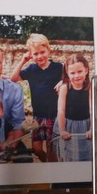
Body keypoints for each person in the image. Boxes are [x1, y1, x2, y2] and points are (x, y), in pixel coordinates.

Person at [10, 33, 62, 162]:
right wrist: (23, 60)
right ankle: (47, 164)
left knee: (52, 148)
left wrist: (63, 82)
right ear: (31, 55)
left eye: (42, 52)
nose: (39, 56)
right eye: (35, 54)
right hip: (37, 116)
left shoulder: (58, 68)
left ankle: (52, 170)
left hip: (53, 115)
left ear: (48, 50)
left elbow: (69, 79)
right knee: (36, 148)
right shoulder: (31, 69)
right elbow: (13, 78)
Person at [52, 54, 92, 162]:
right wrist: (62, 130)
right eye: (72, 73)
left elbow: (93, 110)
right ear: (67, 73)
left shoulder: (90, 88)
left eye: (80, 71)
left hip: (85, 126)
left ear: (86, 70)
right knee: (67, 156)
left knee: (86, 155)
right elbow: (61, 110)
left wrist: (92, 128)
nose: (76, 76)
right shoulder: (65, 88)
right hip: (68, 125)